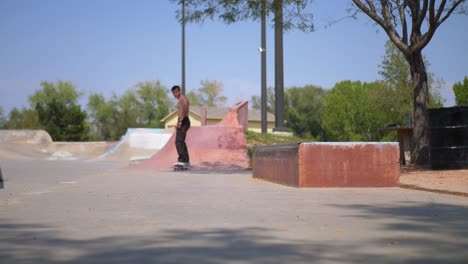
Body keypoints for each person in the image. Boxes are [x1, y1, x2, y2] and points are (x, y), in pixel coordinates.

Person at [171, 85, 190, 167]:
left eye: (176, 92)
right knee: (181, 142)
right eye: (173, 93)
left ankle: (182, 160)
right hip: (183, 120)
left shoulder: (183, 99)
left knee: (178, 142)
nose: (175, 95)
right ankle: (185, 161)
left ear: (180, 91)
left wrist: (180, 122)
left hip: (183, 121)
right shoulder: (181, 100)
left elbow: (184, 110)